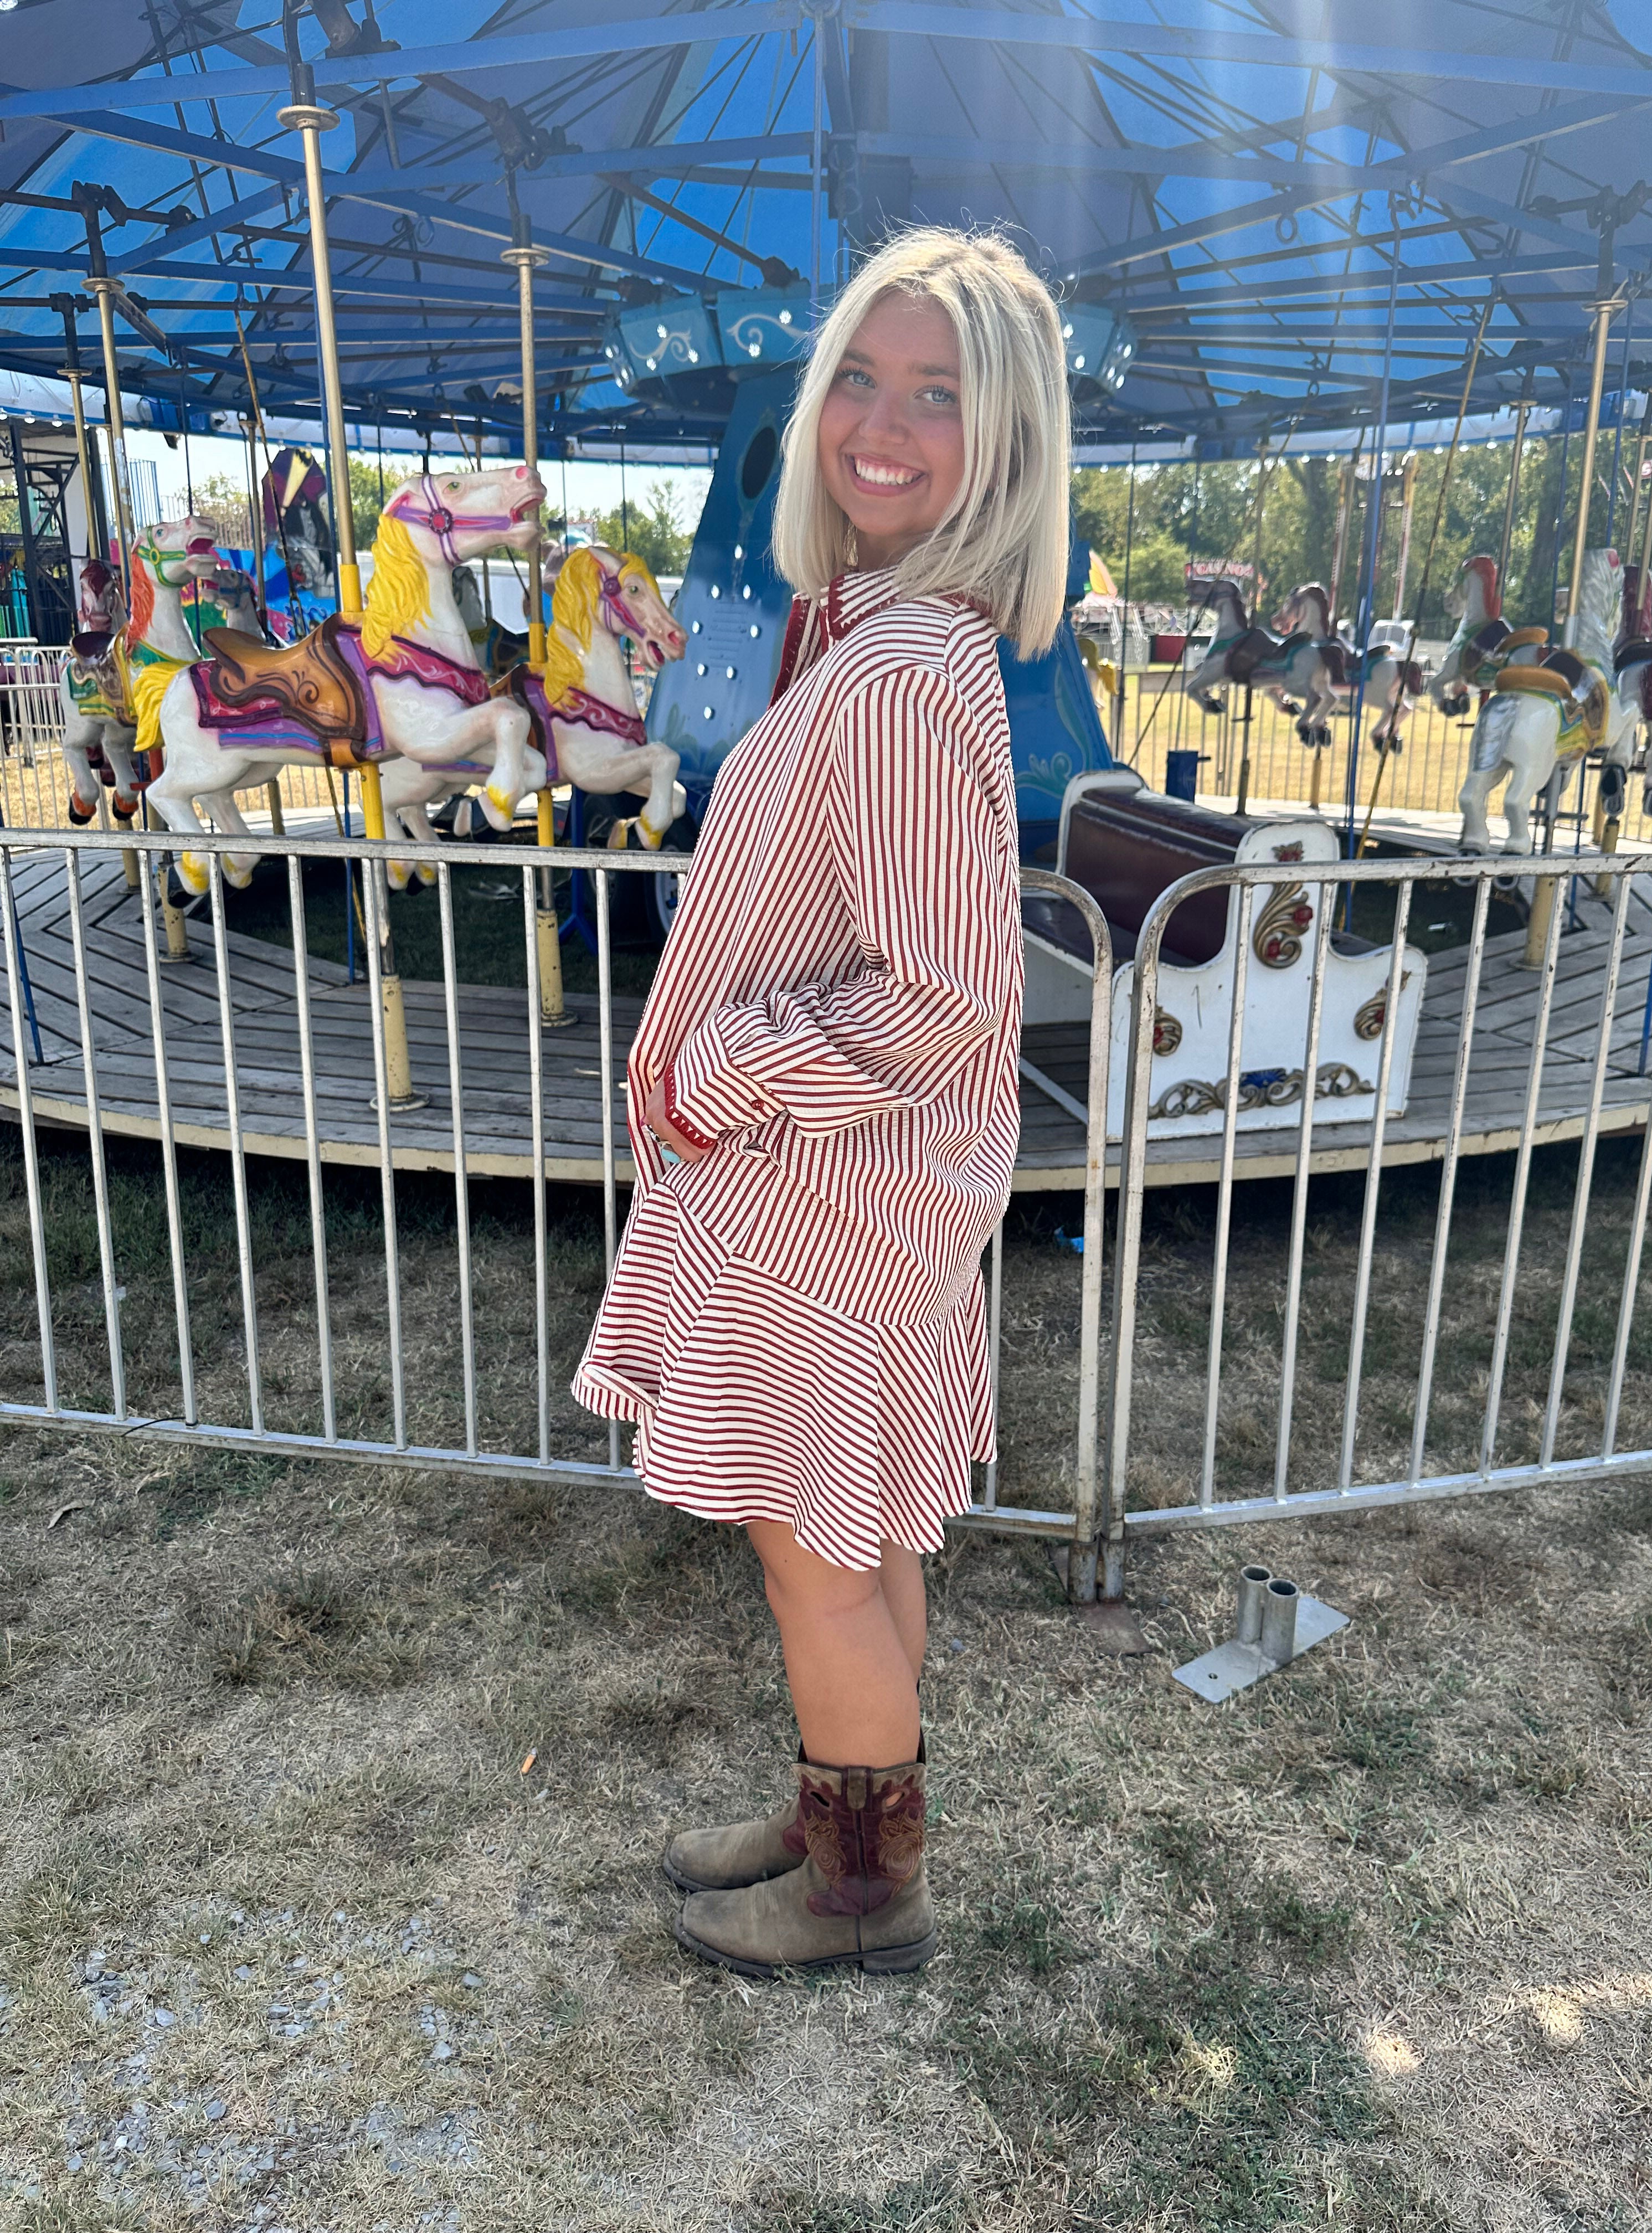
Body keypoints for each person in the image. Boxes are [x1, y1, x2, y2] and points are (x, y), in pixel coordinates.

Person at [572, 225, 1071, 1978]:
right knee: (850, 1536)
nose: (881, 421)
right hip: (850, 1191)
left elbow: (940, 996)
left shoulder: (903, 676)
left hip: (829, 1200)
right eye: (858, 376)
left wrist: (714, 1071)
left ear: (1006, 439)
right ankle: (848, 1806)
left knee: (814, 1558)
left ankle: (865, 1887)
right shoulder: (880, 640)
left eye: (938, 393)